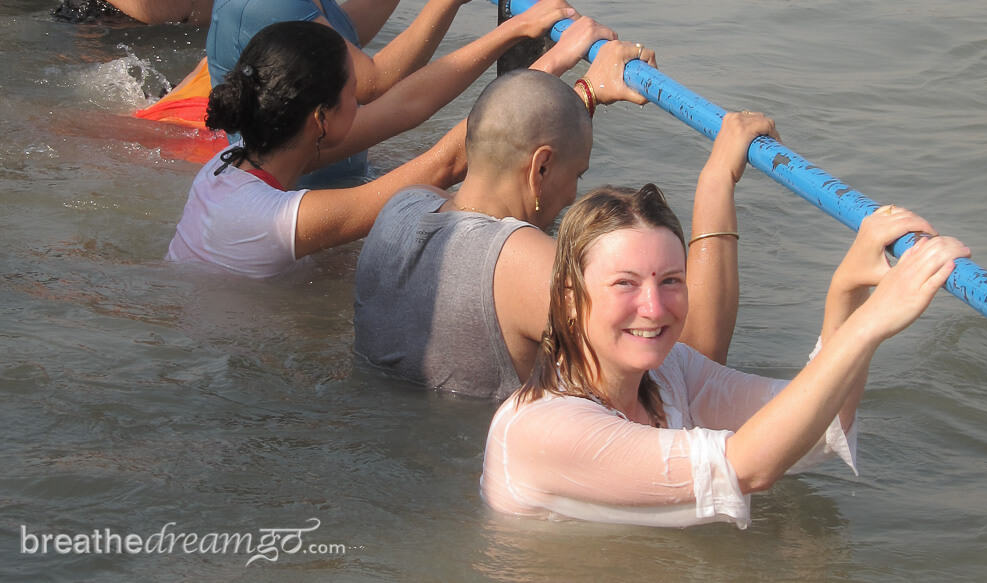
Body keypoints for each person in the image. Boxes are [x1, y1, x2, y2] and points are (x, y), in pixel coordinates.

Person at [479, 185, 970, 527]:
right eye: (625, 284)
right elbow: (746, 467)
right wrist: (869, 326)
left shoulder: (672, 373)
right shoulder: (540, 429)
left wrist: (848, 293)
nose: (653, 307)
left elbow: (819, 423)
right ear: (568, 296)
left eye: (671, 281)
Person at [353, 52, 774, 398]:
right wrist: (718, 179)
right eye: (577, 174)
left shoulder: (403, 207)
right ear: (542, 167)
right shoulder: (516, 260)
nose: (573, 195)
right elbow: (692, 360)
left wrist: (586, 93)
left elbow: (518, 134)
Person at [166, 16, 606, 278]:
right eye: (355, 91)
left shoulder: (229, 164)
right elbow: (447, 163)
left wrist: (514, 31)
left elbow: (407, 103)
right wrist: (581, 82)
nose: (365, 97)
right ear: (320, 118)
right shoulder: (274, 218)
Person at [206, 0, 577, 184]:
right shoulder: (267, 4)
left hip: (326, 179)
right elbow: (372, 83)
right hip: (303, 190)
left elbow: (345, 35)